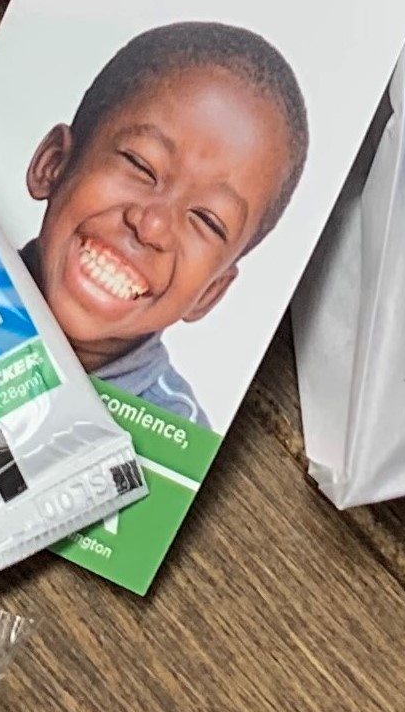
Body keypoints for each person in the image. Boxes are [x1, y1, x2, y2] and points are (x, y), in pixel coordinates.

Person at [20, 21, 310, 431]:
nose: (152, 225)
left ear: (209, 293)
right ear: (53, 164)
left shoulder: (172, 442)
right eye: (141, 165)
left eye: (207, 220)